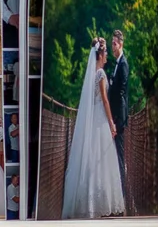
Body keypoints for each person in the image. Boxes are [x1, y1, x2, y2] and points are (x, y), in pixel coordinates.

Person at [61, 38, 125, 219]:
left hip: (94, 116)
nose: (106, 57)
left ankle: (89, 201)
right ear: (100, 55)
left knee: (92, 155)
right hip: (101, 118)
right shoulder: (101, 74)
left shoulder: (93, 74)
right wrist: (111, 122)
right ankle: (100, 201)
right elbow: (104, 100)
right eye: (105, 54)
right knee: (102, 157)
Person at [109, 30, 130, 203]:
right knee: (116, 154)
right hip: (116, 116)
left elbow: (121, 93)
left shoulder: (123, 64)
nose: (112, 45)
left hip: (119, 117)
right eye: (111, 43)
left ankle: (122, 193)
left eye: (114, 43)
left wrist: (115, 119)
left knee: (120, 155)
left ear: (121, 44)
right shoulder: (117, 63)